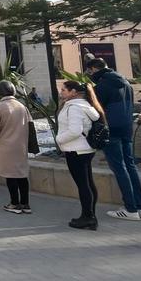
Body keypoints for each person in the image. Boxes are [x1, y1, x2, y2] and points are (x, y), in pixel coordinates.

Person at [86, 58, 141, 220]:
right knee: (130, 165)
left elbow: (95, 108)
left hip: (111, 129)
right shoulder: (124, 82)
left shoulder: (103, 85)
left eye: (90, 72)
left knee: (119, 168)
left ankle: (130, 209)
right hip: (126, 127)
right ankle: (140, 207)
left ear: (93, 69)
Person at [57, 80, 103, 230]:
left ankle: (88, 217)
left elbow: (75, 131)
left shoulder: (74, 108)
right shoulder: (86, 105)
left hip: (76, 149)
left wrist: (59, 139)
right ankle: (90, 215)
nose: (61, 92)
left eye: (64, 90)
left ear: (73, 92)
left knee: (83, 184)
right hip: (85, 149)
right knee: (88, 183)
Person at [0, 80, 33, 214]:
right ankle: (26, 203)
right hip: (21, 145)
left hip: (5, 146)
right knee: (22, 174)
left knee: (10, 175)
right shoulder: (21, 106)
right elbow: (30, 125)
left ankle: (14, 203)